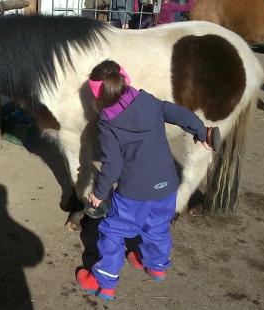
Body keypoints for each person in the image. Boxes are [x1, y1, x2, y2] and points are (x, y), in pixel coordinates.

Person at [76, 60, 216, 300]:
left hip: (135, 191)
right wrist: (202, 131)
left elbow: (113, 165)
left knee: (112, 230)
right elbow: (179, 113)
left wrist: (99, 193)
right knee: (158, 225)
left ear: (98, 94)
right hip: (167, 183)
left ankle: (104, 281)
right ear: (125, 79)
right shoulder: (147, 100)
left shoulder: (108, 123)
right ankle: (157, 266)